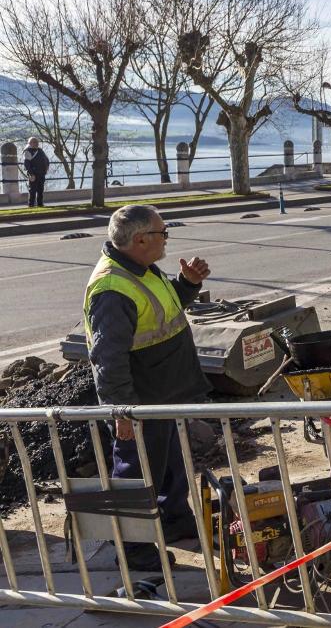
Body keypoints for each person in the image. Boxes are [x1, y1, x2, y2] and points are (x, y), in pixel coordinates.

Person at [84, 205, 212, 570]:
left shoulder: (139, 269)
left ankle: (173, 521)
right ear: (141, 240)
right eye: (163, 232)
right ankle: (134, 550)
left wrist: (187, 285)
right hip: (139, 403)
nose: (167, 238)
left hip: (162, 395)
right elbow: (107, 357)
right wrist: (121, 410)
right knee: (137, 474)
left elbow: (161, 313)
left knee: (169, 465)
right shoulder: (112, 289)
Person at [22, 137, 49, 208]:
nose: (36, 143)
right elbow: (27, 164)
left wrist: (46, 169)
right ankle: (31, 205)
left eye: (37, 142)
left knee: (40, 190)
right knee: (32, 190)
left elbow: (46, 160)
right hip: (33, 174)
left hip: (41, 173)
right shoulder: (27, 151)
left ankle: (40, 204)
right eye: (34, 142)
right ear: (30, 143)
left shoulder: (40, 150)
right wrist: (31, 174)